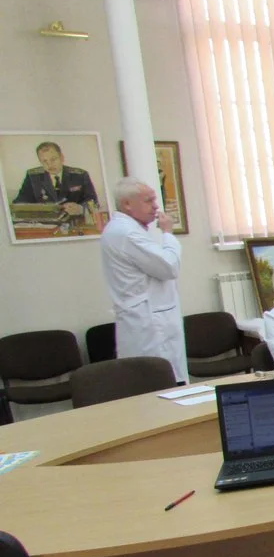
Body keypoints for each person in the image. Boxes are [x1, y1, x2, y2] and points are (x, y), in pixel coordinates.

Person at [100, 177, 188, 384]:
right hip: (150, 322)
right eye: (148, 201)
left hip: (150, 317)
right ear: (127, 204)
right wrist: (168, 234)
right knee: (159, 381)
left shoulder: (126, 229)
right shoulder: (126, 233)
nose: (156, 206)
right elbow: (169, 267)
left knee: (161, 379)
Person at [14, 141, 99, 215]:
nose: (49, 165)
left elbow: (94, 203)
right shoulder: (33, 176)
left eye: (53, 159)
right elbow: (20, 203)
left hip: (74, 221)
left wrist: (81, 209)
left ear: (61, 157)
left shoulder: (80, 175)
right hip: (46, 223)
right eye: (44, 161)